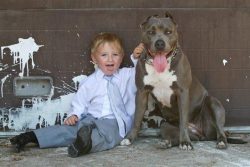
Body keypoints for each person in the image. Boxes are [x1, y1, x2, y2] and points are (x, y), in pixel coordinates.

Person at [10, 32, 144, 158]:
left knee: (109, 136)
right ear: (94, 58)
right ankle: (30, 137)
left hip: (113, 121)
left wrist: (137, 58)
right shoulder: (90, 82)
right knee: (69, 131)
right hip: (90, 119)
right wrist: (74, 115)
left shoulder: (127, 75)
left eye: (115, 54)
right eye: (104, 55)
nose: (110, 59)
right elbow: (80, 103)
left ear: (122, 57)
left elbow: (141, 73)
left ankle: (84, 145)